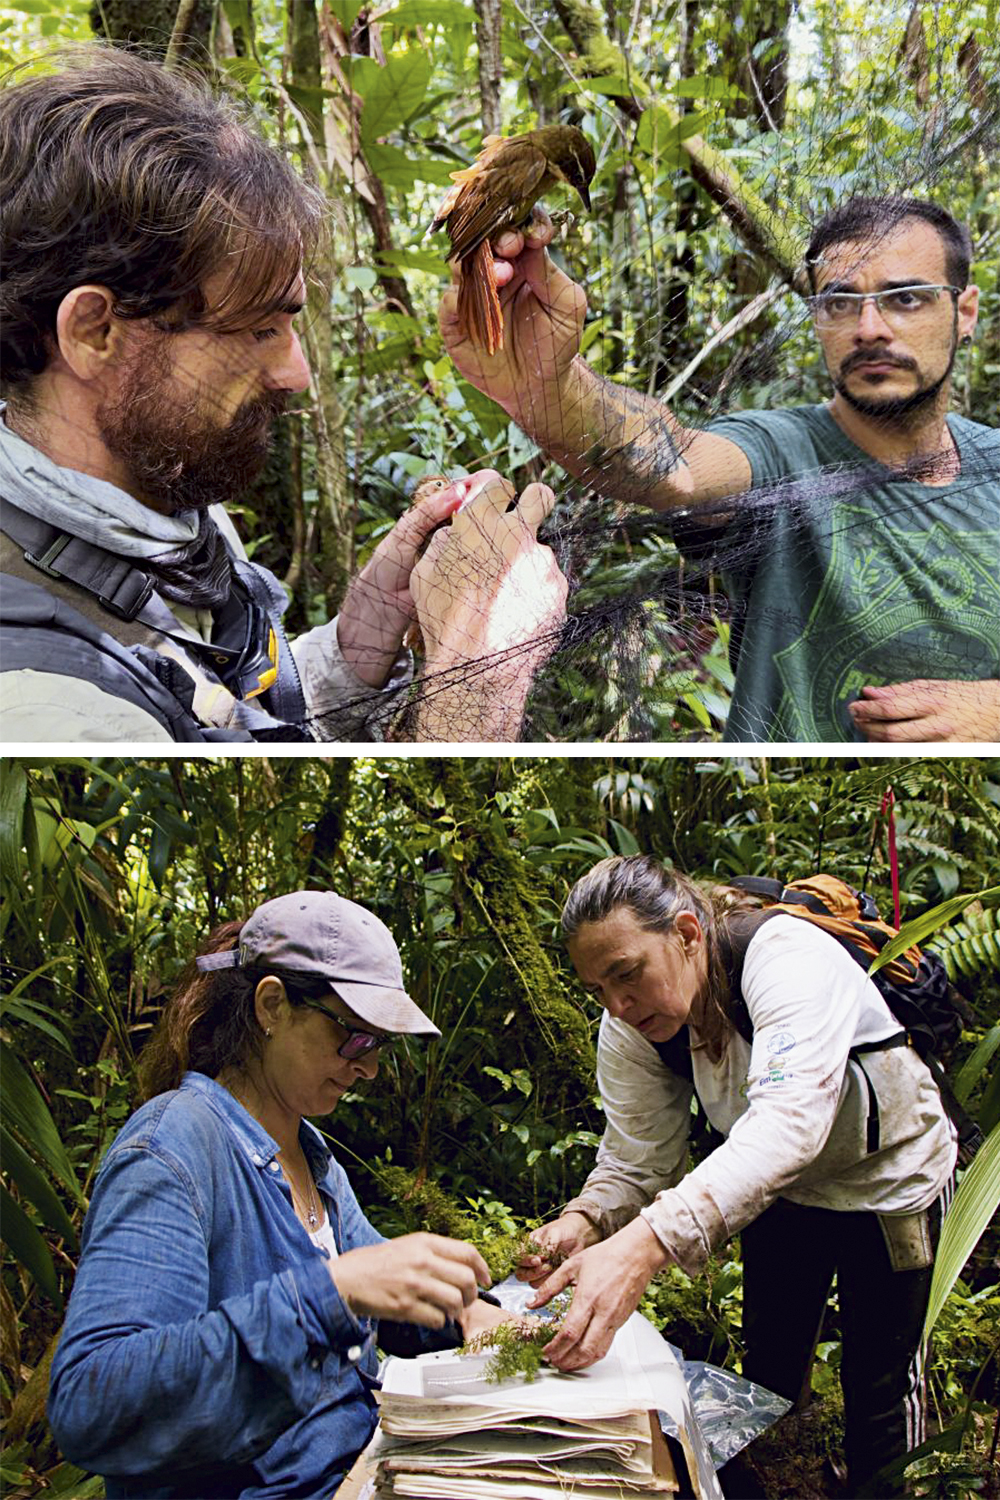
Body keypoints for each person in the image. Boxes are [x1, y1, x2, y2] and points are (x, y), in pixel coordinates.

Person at [0, 47, 567, 743]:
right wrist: (480, 687)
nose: (297, 374)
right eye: (261, 329)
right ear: (95, 331)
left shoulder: (155, 490)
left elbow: (213, 715)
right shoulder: (43, 707)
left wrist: (355, 648)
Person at [442, 195, 999, 743]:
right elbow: (675, 465)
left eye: (904, 299)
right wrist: (546, 384)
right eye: (839, 302)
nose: (869, 327)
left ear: (965, 311)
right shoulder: (782, 449)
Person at [48, 890, 514, 1498]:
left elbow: (385, 1298)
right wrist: (330, 1295)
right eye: (355, 1038)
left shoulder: (314, 1157)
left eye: (380, 1044)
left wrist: (469, 1312)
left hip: (363, 1467)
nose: (368, 1068)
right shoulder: (173, 1150)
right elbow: (93, 1404)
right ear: (272, 1006)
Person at [518, 855, 957, 1496]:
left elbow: (788, 1122)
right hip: (779, 1193)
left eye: (627, 974)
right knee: (768, 1378)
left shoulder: (785, 956)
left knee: (882, 1390)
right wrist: (585, 1221)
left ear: (688, 934)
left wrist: (643, 1247)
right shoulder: (631, 1023)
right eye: (598, 991)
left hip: (890, 1185)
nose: (618, 1004)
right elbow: (638, 1155)